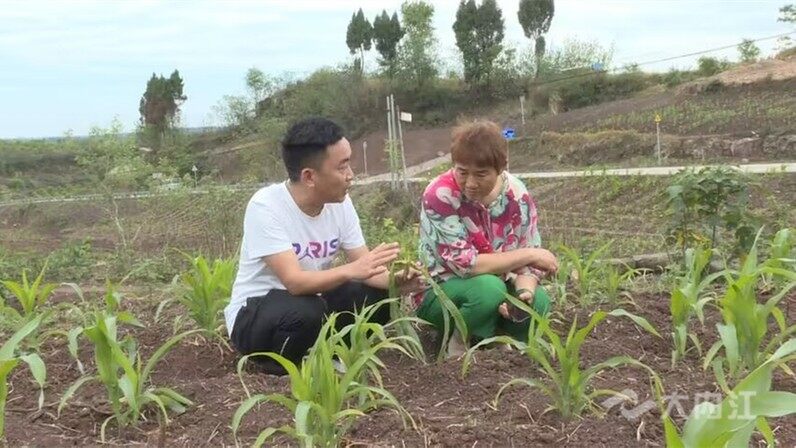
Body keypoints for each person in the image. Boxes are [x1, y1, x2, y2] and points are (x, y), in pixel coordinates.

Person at [224, 117, 422, 374]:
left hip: (310, 303)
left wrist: (396, 282)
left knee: (375, 296)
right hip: (255, 316)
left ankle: (331, 356)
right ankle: (279, 368)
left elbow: (366, 267)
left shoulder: (340, 203)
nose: (350, 175)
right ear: (309, 176)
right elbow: (295, 282)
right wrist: (352, 270)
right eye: (342, 167)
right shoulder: (266, 207)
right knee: (307, 310)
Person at [415, 120, 558, 357]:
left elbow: (529, 267)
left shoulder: (517, 196)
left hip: (499, 285)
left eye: (481, 174)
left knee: (539, 303)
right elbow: (465, 264)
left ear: (501, 168)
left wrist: (525, 293)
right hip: (444, 291)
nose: (470, 183)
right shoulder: (440, 195)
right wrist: (530, 254)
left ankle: (497, 339)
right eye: (462, 172)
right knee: (489, 289)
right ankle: (459, 342)